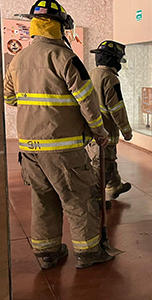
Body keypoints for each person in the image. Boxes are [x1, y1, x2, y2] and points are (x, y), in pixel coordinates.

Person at [3, 0, 114, 269]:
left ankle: (47, 253)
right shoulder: (65, 58)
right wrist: (99, 132)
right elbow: (87, 101)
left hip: (29, 148)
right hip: (62, 149)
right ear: (61, 28)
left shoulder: (18, 60)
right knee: (79, 198)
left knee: (43, 198)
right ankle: (89, 253)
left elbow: (9, 97)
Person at [87, 40, 133, 204]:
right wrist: (126, 131)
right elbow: (117, 108)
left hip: (92, 131)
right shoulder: (110, 78)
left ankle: (114, 186)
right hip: (106, 133)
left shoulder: (91, 73)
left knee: (109, 161)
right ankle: (97, 199)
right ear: (114, 60)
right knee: (102, 165)